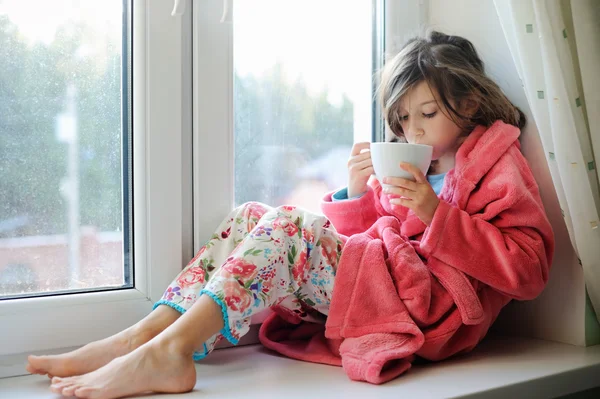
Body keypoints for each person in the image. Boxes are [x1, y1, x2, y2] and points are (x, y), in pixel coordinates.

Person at [26, 30, 554, 399]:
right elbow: (374, 244)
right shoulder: (422, 164)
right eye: (400, 120)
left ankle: (170, 353)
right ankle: (142, 338)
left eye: (428, 114)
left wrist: (437, 214)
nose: (411, 132)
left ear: (469, 101)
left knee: (286, 227)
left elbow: (529, 270)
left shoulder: (495, 164)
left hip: (428, 311)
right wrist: (354, 195)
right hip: (386, 287)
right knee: (248, 216)